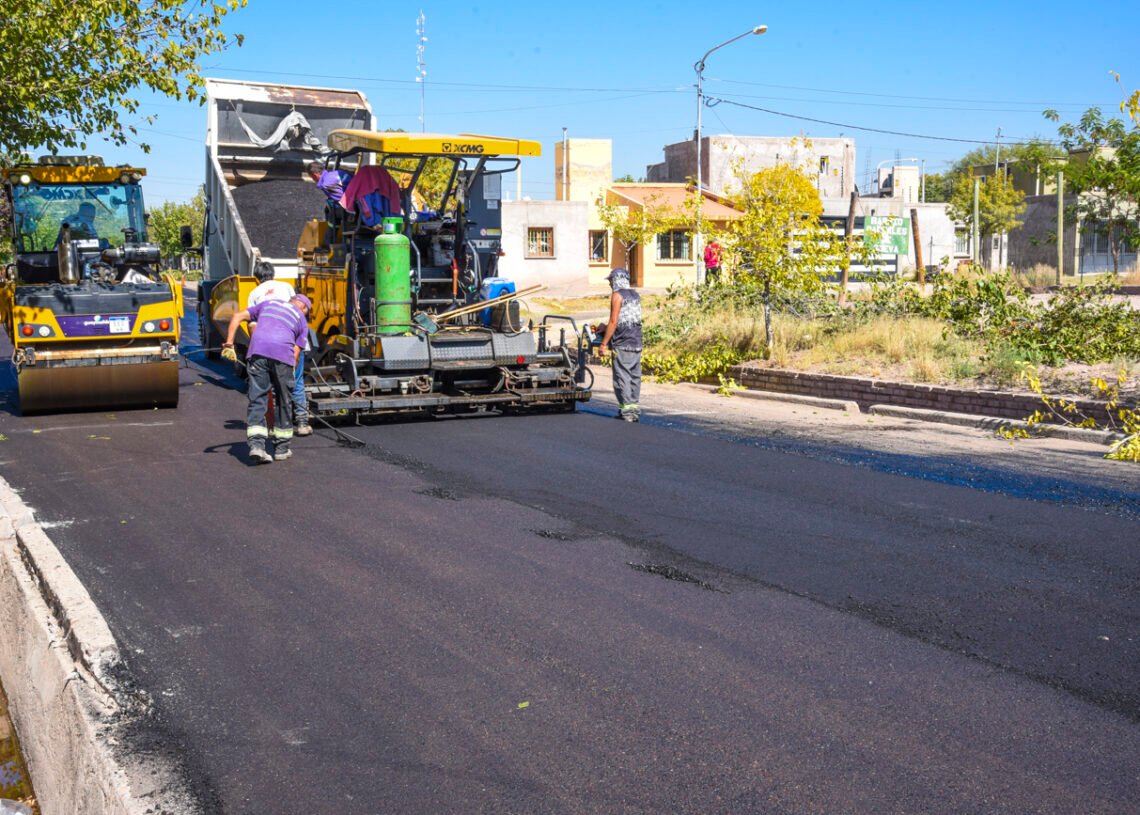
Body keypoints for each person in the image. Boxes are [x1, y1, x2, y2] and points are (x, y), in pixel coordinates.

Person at [223, 294, 311, 463]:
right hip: (282, 356)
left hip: (257, 353)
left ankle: (257, 446)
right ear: (304, 309)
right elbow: (295, 353)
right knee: (284, 401)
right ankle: (281, 449)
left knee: (257, 400)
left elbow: (237, 316)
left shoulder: (269, 304)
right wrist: (289, 380)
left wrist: (229, 343)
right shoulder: (301, 320)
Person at [246, 261, 312, 437]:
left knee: (270, 386)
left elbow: (252, 325)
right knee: (296, 382)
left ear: (256, 277)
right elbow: (296, 311)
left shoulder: (254, 293)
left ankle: (276, 424)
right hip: (292, 341)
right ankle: (302, 422)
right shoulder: (286, 287)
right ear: (273, 274)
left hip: (266, 346)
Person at [598, 268, 643, 423]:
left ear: (616, 280)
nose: (610, 283)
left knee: (622, 377)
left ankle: (627, 411)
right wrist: (605, 328)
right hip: (636, 341)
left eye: (611, 280)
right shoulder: (635, 295)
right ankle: (634, 410)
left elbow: (614, 321)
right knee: (634, 376)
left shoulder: (617, 296)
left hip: (622, 342)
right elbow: (628, 318)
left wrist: (603, 343)